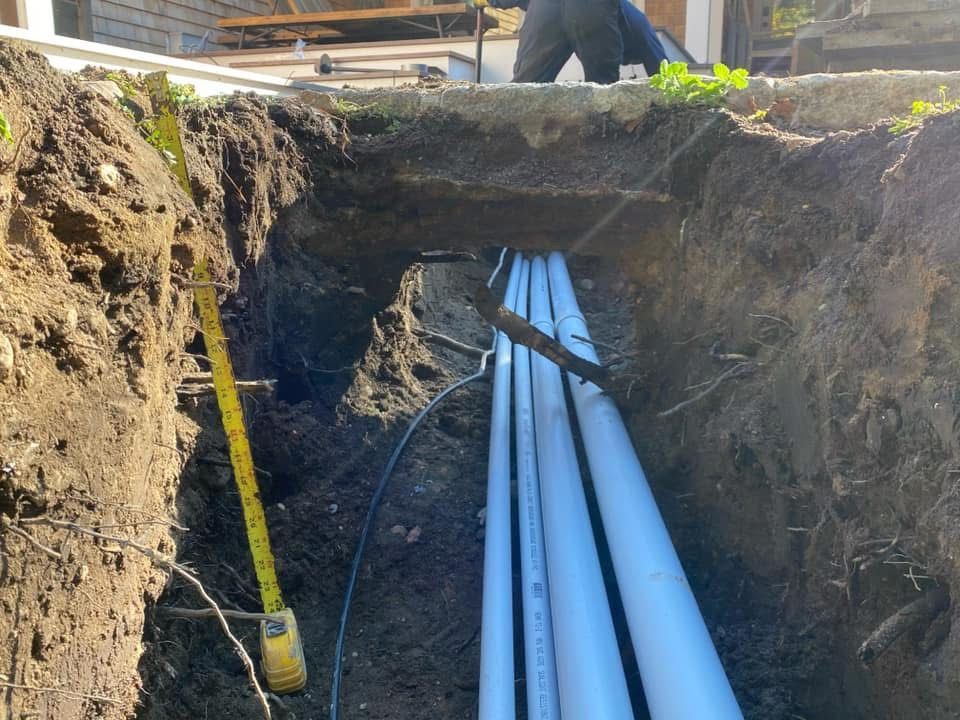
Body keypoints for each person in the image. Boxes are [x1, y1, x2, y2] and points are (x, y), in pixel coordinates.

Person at [480, 0, 667, 83]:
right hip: (592, 9)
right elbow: (664, 72)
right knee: (602, 90)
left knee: (525, 87)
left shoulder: (636, 20)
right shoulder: (641, 26)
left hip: (545, 10)